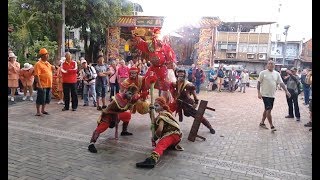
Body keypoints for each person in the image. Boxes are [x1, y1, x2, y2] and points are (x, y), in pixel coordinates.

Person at [88, 85, 140, 153]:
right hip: (109, 114)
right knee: (102, 127)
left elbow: (134, 106)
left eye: (133, 94)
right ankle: (91, 143)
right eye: (130, 93)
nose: (131, 96)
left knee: (127, 115)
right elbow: (108, 109)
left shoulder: (130, 99)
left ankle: (124, 131)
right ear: (126, 91)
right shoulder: (118, 98)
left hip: (117, 114)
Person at [136, 97, 183, 169]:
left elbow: (160, 129)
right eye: (154, 106)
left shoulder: (163, 115)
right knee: (163, 145)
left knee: (160, 145)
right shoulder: (164, 113)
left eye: (157, 106)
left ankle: (152, 160)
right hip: (175, 137)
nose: (155, 107)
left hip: (172, 135)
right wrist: (150, 112)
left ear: (162, 106)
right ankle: (169, 146)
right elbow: (154, 122)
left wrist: (155, 137)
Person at [170, 69, 215, 134]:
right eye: (179, 75)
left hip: (187, 104)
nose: (180, 77)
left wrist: (196, 102)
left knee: (198, 116)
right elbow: (172, 88)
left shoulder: (188, 85)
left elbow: (195, 96)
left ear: (184, 75)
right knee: (168, 110)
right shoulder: (176, 83)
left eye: (181, 75)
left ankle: (210, 127)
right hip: (179, 103)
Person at [257, 60, 291, 131]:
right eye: (269, 63)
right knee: (269, 110)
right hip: (264, 94)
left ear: (274, 65)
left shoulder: (277, 74)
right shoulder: (263, 73)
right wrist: (258, 93)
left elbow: (281, 83)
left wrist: (286, 91)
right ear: (267, 65)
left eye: (272, 64)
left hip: (272, 95)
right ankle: (272, 126)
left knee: (267, 109)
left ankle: (262, 122)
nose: (270, 65)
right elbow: (258, 83)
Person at [33, 48, 56, 116]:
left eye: (47, 54)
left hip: (48, 84)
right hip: (42, 85)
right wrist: (39, 85)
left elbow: (52, 68)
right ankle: (38, 111)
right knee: (40, 98)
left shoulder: (47, 63)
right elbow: (36, 75)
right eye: (46, 54)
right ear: (42, 56)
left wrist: (53, 67)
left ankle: (43, 110)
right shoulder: (38, 64)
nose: (47, 56)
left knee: (46, 99)